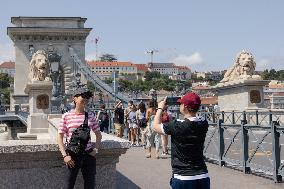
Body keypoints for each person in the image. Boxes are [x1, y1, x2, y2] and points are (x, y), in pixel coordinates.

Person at [153, 92, 210, 189]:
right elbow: (195, 118)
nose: (180, 105)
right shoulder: (203, 123)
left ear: (185, 107)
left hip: (183, 177)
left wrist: (160, 108)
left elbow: (155, 126)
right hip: (202, 176)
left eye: (181, 104)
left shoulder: (177, 125)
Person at [57, 87, 102, 189]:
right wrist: (64, 155)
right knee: (68, 185)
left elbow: (98, 135)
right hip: (72, 156)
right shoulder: (66, 116)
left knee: (90, 186)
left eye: (87, 97)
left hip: (88, 156)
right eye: (83, 96)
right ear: (75, 98)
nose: (86, 99)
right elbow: (59, 137)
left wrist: (96, 150)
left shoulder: (90, 116)